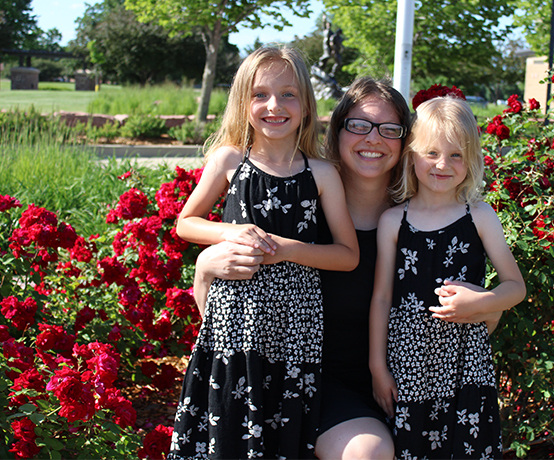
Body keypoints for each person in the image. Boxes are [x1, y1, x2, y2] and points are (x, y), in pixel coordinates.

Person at [191, 78, 505, 460]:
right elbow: (234, 310)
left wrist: (485, 302)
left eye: (390, 130)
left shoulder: (427, 218)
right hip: (313, 384)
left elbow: (481, 312)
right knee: (367, 452)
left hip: (415, 384)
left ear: (409, 142)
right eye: (358, 125)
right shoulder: (305, 208)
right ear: (336, 131)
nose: (373, 139)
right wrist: (206, 266)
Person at [169, 46, 359, 460]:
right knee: (231, 432)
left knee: (281, 437)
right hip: (235, 328)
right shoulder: (230, 160)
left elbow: (347, 255)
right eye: (261, 95)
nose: (275, 106)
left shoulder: (321, 173)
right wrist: (231, 232)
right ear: (243, 102)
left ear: (307, 104)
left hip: (296, 332)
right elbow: (186, 223)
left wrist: (286, 249)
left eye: (288, 94)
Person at [369, 95, 526, 459]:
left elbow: (515, 287)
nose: (443, 164)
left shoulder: (480, 217)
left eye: (456, 155)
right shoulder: (394, 221)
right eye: (431, 153)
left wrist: (482, 301)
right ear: (411, 155)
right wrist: (378, 366)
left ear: (471, 159)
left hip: (464, 365)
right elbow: (381, 297)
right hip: (407, 364)